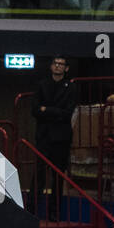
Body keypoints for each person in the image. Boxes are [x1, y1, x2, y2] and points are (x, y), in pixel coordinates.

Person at [31, 57, 76, 200]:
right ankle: (32, 209)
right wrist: (55, 111)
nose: (57, 66)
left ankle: (54, 213)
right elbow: (35, 110)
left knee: (58, 176)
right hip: (43, 136)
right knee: (39, 174)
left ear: (66, 68)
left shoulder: (71, 87)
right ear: (51, 66)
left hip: (61, 138)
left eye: (61, 64)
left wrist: (47, 110)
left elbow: (67, 113)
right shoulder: (42, 84)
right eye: (55, 64)